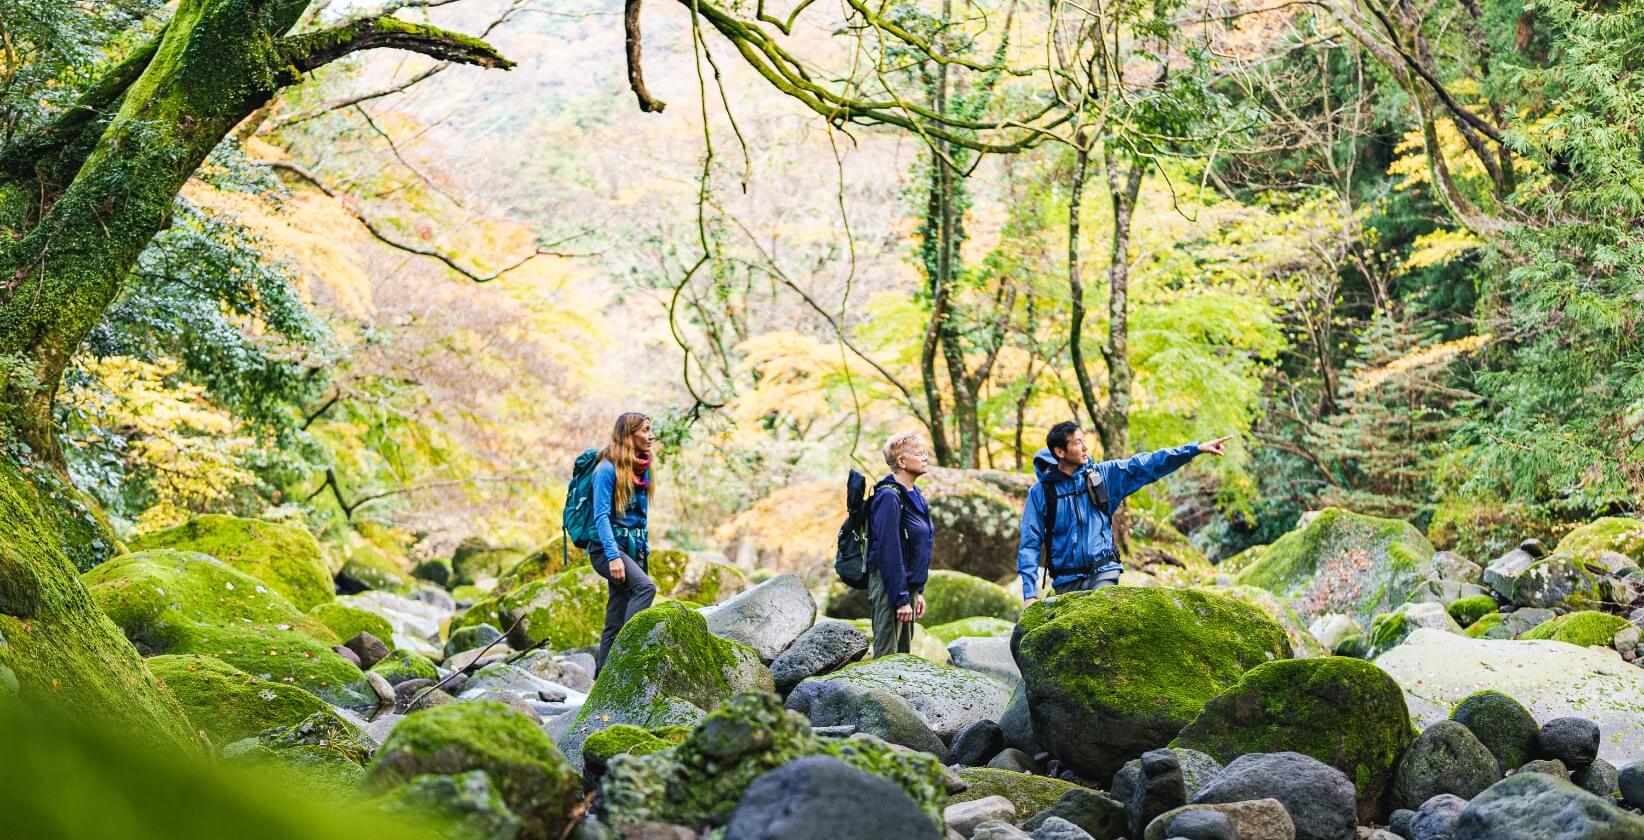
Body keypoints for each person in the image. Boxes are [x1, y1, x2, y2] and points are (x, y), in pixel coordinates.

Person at [1015, 422, 1231, 603]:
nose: (1085, 447)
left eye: (1084, 440)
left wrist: (1194, 449)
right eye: (1078, 442)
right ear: (1060, 452)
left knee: (1100, 617)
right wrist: (1029, 594)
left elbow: (1148, 463)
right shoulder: (1041, 493)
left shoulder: (1103, 476)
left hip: (1103, 572)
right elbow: (1030, 543)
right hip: (1066, 581)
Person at [590, 412, 658, 671]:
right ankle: (626, 659)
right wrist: (614, 557)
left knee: (615, 619)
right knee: (645, 588)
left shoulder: (641, 468)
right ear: (629, 435)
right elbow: (601, 517)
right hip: (606, 550)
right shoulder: (606, 469)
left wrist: (643, 549)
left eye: (651, 430)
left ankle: (602, 682)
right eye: (645, 430)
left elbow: (640, 517)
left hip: (632, 549)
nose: (651, 436)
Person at [865, 431, 935, 658]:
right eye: (919, 453)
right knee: (887, 656)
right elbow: (889, 550)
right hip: (890, 586)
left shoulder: (916, 495)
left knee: (903, 656)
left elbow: (918, 545)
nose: (925, 457)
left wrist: (918, 591)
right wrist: (901, 598)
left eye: (925, 452)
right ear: (902, 461)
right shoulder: (888, 496)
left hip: (907, 587)